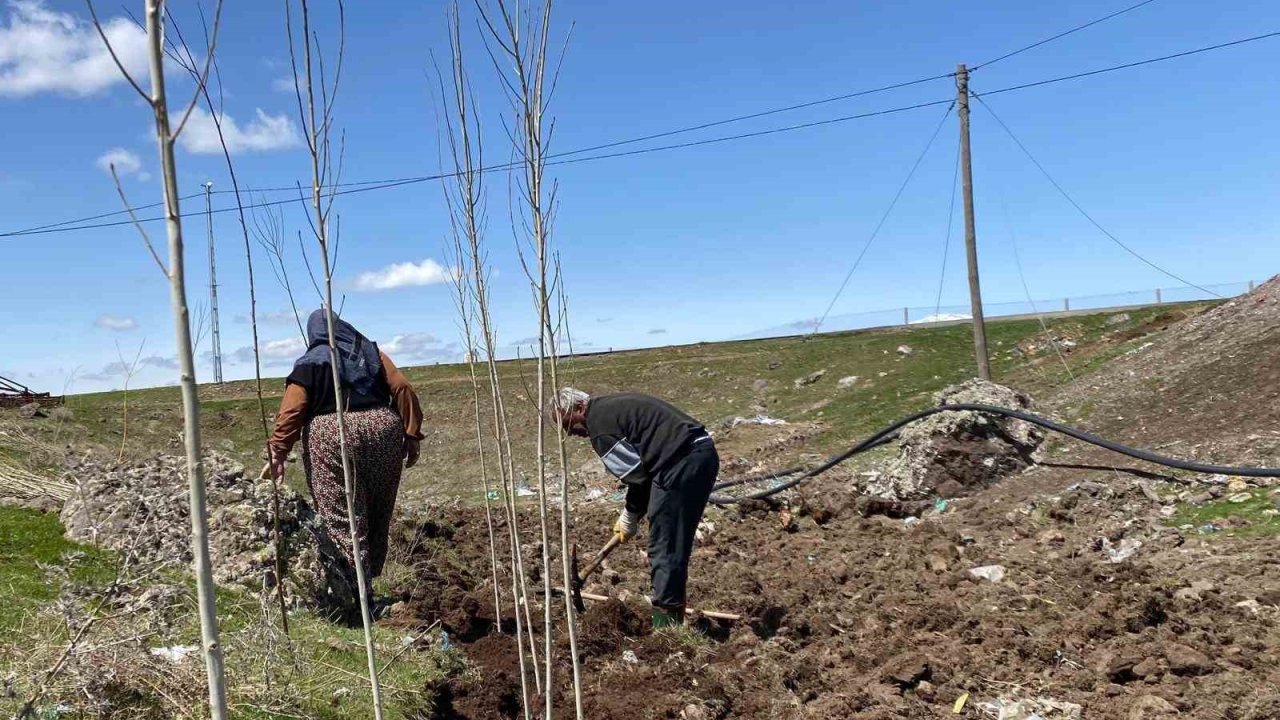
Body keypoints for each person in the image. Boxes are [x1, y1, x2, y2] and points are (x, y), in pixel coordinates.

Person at [269, 309, 424, 611]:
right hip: (383, 430)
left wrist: (278, 451)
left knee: (343, 518)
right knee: (378, 511)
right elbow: (403, 387)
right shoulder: (372, 354)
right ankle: (371, 586)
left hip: (331, 435)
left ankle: (357, 596)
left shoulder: (309, 363)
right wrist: (411, 433)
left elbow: (294, 409)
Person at [550, 387, 718, 628]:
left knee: (665, 545)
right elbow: (646, 476)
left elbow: (639, 478)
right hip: (701, 453)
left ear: (577, 408)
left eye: (567, 424)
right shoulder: (610, 406)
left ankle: (667, 631)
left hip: (679, 463)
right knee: (673, 542)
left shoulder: (600, 428)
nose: (569, 433)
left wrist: (630, 514)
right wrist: (634, 512)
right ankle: (672, 619)